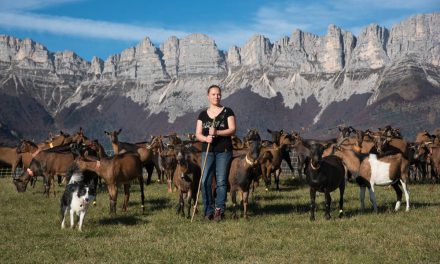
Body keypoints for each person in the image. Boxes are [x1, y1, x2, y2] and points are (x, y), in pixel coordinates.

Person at [195, 85, 236, 221]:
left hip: (223, 151)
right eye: (213, 94)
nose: (216, 96)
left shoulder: (227, 111)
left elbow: (232, 130)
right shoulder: (202, 114)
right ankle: (208, 210)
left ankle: (219, 210)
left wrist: (217, 132)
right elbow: (198, 134)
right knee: (205, 180)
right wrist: (205, 138)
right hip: (207, 151)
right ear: (208, 96)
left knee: (221, 181)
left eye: (218, 94)